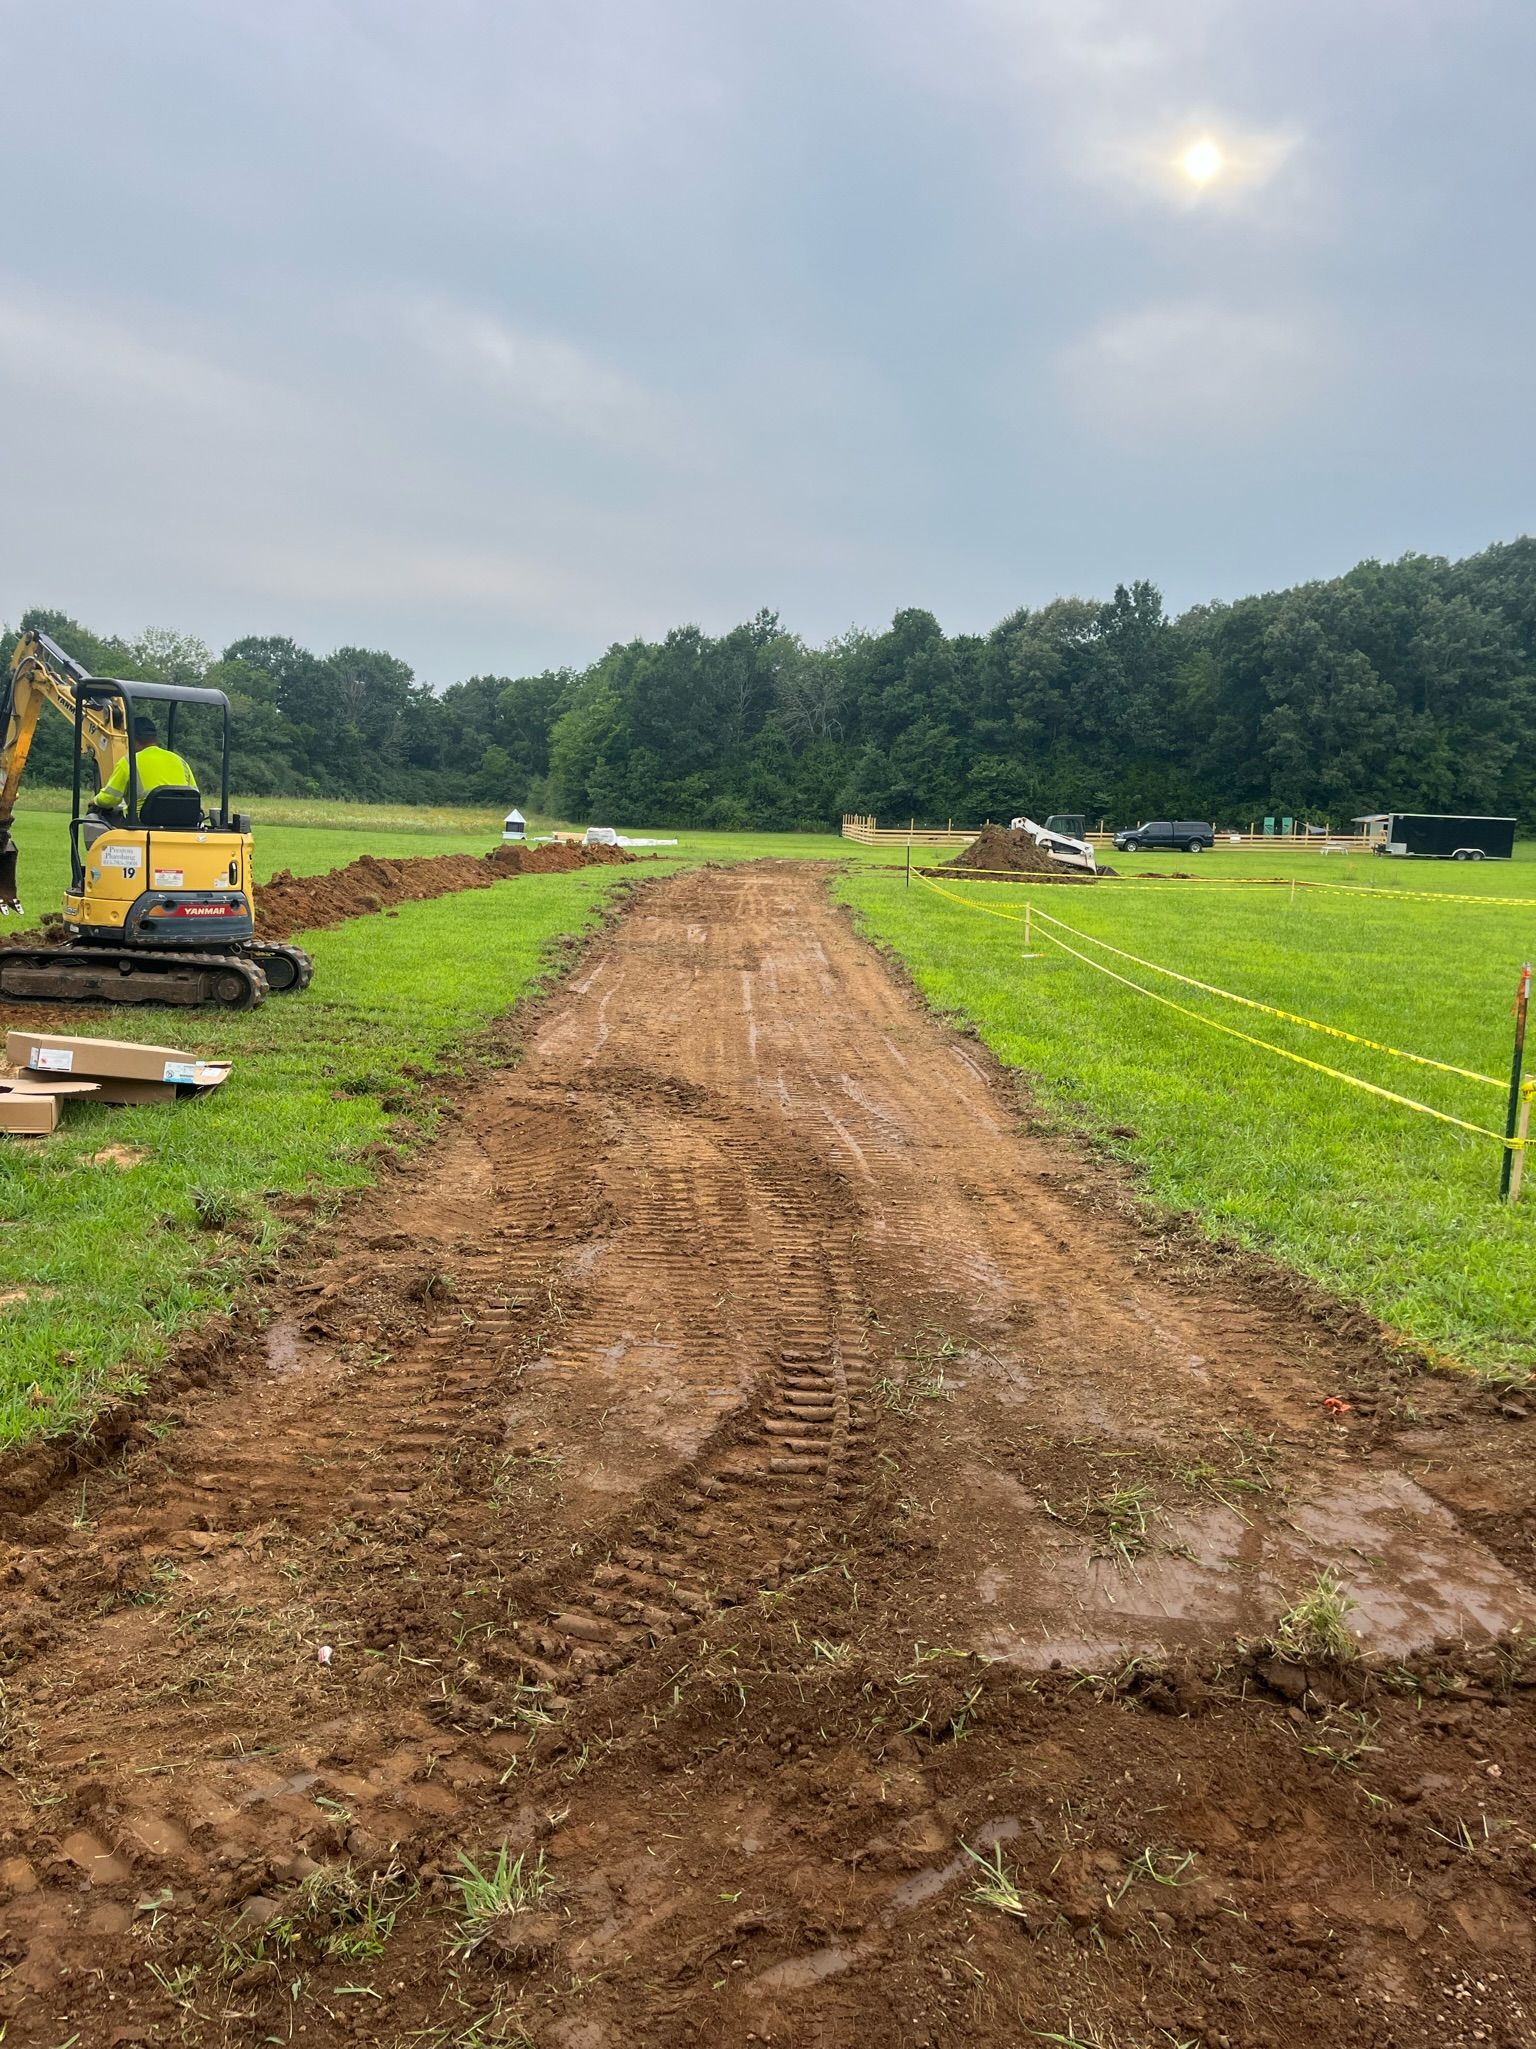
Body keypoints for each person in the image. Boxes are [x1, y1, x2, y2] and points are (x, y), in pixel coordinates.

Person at [94, 714, 197, 815]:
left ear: (131, 738)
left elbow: (109, 799)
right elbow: (195, 795)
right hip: (181, 824)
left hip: (142, 824)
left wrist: (95, 801)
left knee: (95, 818)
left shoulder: (129, 762)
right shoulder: (180, 761)